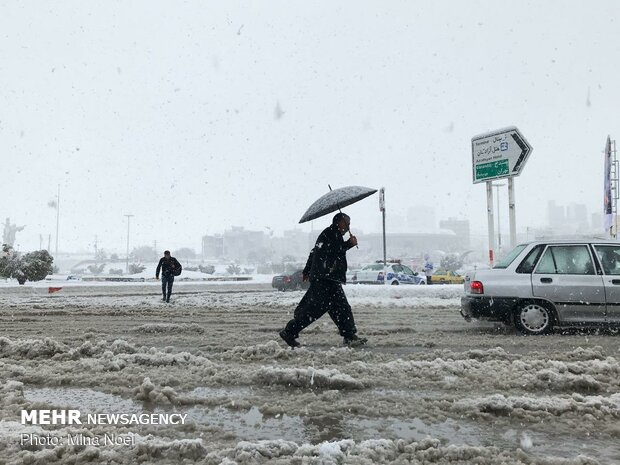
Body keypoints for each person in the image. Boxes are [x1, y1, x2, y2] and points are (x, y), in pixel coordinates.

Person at [279, 212, 367, 348]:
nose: (348, 227)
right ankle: (289, 331)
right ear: (340, 222)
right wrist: (349, 244)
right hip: (326, 280)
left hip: (328, 279)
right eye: (347, 223)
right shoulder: (332, 234)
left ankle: (349, 335)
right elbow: (333, 251)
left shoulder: (328, 234)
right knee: (313, 310)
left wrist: (307, 270)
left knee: (341, 309)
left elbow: (314, 252)